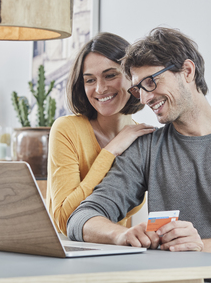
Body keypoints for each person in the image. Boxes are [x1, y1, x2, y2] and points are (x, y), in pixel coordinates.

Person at [67, 27, 211, 282]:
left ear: (187, 72)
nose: (146, 97)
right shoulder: (147, 147)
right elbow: (81, 218)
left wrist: (200, 247)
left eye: (152, 81)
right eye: (139, 88)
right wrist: (120, 236)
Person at [46, 32, 155, 236]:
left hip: (117, 250)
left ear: (132, 77)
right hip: (69, 253)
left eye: (110, 75)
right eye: (89, 80)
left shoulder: (143, 138)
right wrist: (111, 151)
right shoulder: (66, 129)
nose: (100, 88)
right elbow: (63, 219)